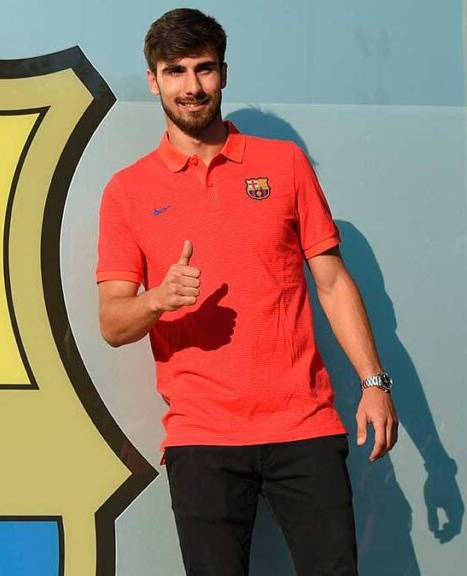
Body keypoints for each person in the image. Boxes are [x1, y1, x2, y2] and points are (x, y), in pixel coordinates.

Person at [96, 8, 399, 575]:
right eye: (176, 71)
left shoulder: (283, 164)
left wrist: (375, 382)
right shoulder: (127, 191)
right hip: (201, 436)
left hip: (305, 425)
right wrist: (159, 299)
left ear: (224, 73)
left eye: (204, 69)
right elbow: (112, 322)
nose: (192, 87)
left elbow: (331, 281)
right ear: (153, 80)